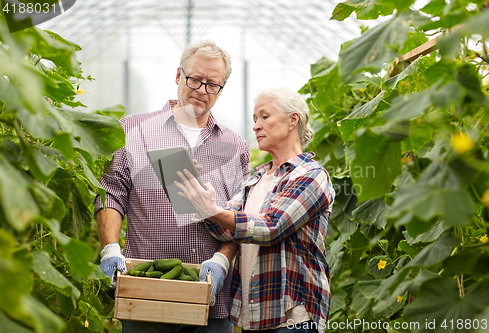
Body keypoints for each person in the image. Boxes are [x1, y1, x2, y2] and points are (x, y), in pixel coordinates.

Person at [94, 40, 251, 333]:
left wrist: (222, 259)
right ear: (179, 75)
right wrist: (110, 248)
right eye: (195, 79)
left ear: (221, 89)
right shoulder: (133, 131)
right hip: (146, 292)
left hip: (211, 303)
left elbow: (243, 216)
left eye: (212, 84)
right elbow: (110, 193)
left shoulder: (236, 147)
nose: (202, 90)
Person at [175, 87, 335, 333]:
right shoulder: (257, 178)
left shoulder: (311, 175)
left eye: (264, 116)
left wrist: (211, 209)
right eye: (254, 119)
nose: (256, 126)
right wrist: (195, 196)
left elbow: (272, 228)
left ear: (293, 119)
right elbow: (225, 230)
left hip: (294, 318)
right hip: (255, 316)